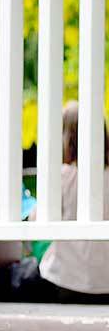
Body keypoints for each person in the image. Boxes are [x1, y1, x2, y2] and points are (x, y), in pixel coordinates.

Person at [35, 101, 109, 303]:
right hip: (106, 285)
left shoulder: (62, 177)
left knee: (11, 275)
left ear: (67, 139)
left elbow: (36, 221)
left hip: (63, 281)